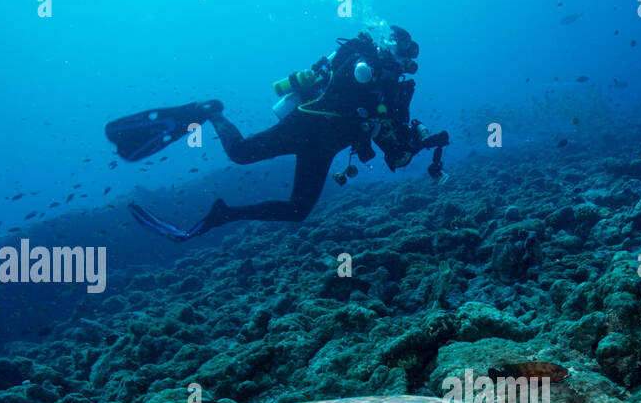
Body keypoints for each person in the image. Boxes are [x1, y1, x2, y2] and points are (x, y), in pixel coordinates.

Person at [105, 26, 449, 241]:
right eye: (406, 55)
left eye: (410, 60)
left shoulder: (391, 91)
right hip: (306, 124)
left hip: (325, 148)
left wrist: (422, 141)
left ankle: (224, 213)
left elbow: (393, 152)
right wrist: (378, 79)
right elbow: (344, 91)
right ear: (392, 49)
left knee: (298, 210)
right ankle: (209, 111)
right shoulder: (362, 63)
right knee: (239, 153)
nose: (409, 64)